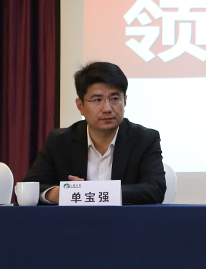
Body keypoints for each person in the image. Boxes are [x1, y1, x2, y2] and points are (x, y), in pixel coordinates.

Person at [24, 61, 166, 205]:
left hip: (124, 219)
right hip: (75, 219)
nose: (107, 108)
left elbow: (155, 189)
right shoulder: (59, 141)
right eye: (97, 99)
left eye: (115, 99)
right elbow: (28, 188)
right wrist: (54, 194)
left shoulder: (145, 139)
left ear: (125, 101)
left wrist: (93, 192)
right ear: (80, 106)